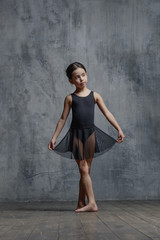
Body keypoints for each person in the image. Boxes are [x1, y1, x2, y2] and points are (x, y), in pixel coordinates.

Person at [48, 62, 125, 213]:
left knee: (86, 171)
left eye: (83, 75)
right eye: (77, 77)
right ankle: (92, 203)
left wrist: (119, 128)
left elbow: (107, 113)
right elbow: (62, 119)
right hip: (76, 135)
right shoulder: (70, 98)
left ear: (86, 75)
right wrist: (54, 137)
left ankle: (80, 202)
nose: (81, 79)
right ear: (71, 80)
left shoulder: (95, 96)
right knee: (83, 169)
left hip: (90, 134)